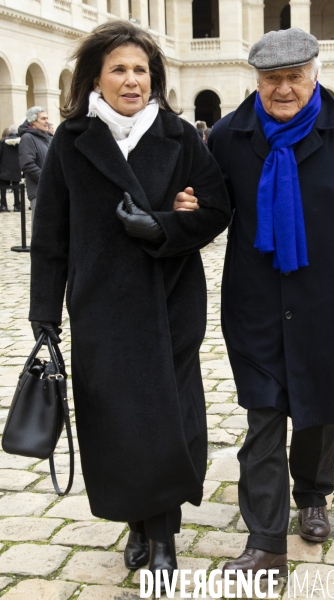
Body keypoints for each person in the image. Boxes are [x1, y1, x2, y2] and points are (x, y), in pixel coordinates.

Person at [28, 20, 230, 590]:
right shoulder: (71, 140)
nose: (132, 79)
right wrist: (44, 314)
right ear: (96, 77)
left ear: (154, 77)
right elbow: (51, 236)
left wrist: (162, 226)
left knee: (168, 418)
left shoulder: (179, 136)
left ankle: (162, 532)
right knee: (116, 423)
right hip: (100, 309)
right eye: (119, 68)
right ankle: (135, 523)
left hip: (170, 304)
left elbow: (216, 211)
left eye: (141, 69)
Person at [208, 28, 334, 578]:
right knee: (263, 417)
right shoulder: (228, 135)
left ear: (315, 74)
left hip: (326, 299)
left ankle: (313, 493)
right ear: (257, 80)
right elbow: (211, 210)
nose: (283, 89)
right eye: (272, 79)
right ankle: (266, 542)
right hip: (255, 302)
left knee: (318, 411)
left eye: (294, 77)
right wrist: (183, 207)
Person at [18, 106, 50, 225]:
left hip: (51, 190)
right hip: (38, 191)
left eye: (47, 118)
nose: (47, 121)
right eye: (43, 119)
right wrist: (47, 179)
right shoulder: (28, 138)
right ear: (33, 122)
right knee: (40, 228)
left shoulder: (47, 138)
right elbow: (27, 165)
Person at [0, 125, 21, 212]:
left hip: (4, 167)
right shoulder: (21, 141)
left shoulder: (2, 141)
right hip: (17, 167)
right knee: (16, 188)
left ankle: (4, 205)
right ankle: (17, 206)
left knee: (3, 188)